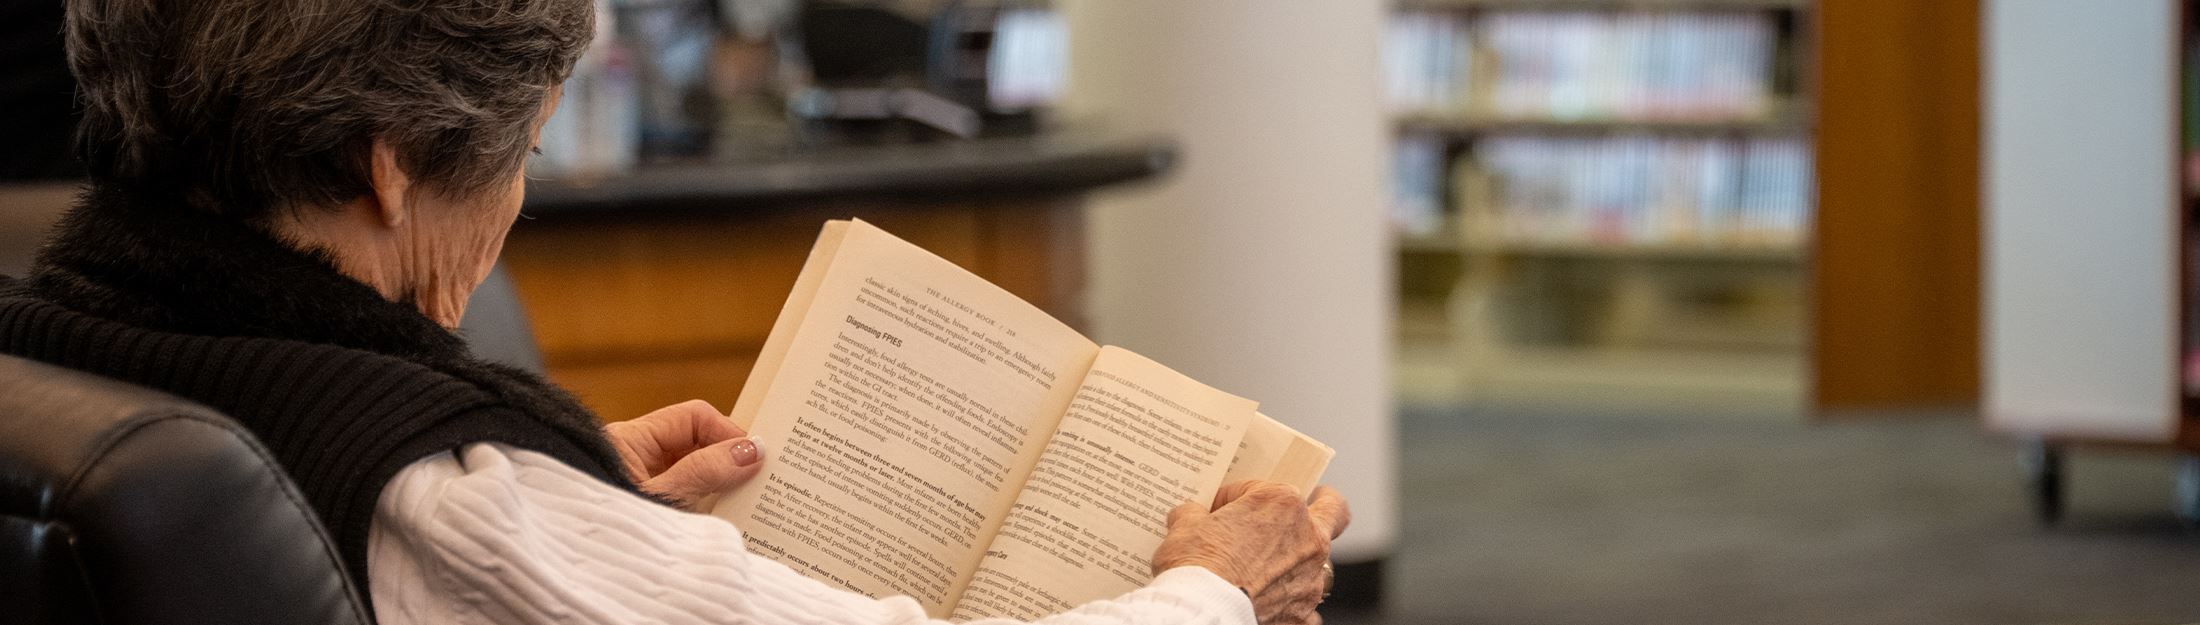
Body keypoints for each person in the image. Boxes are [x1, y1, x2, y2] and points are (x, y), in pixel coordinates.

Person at [0, 0, 1351, 624]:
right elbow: (462, 535)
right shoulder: (464, 503)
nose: (519, 194)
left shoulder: (64, 317)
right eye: (521, 152)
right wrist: (1213, 589)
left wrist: (583, 486)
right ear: (392, 162)